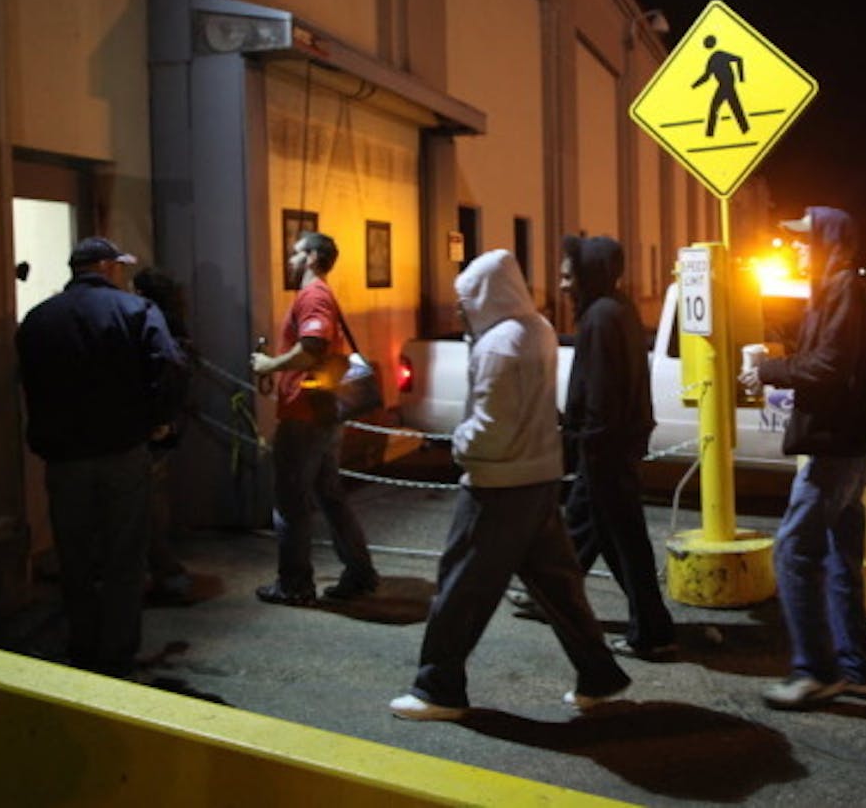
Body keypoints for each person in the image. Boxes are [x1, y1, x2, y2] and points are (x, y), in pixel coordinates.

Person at [389, 249, 630, 721]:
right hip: (539, 477)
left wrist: (459, 444)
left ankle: (438, 689)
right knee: (558, 587)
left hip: (498, 484)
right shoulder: (536, 330)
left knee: (460, 586)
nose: (458, 308)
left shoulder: (499, 345)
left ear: (487, 294)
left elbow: (491, 427)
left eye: (465, 297)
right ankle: (599, 674)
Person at [738, 207, 866, 711]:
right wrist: (778, 362)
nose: (798, 248)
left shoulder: (842, 288)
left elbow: (830, 365)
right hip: (849, 446)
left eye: (807, 240)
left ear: (831, 240)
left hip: (838, 449)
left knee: (792, 551)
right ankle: (857, 670)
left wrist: (769, 369)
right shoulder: (833, 288)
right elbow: (830, 359)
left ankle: (815, 671)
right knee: (839, 559)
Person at [16, 236, 186, 677]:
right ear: (107, 267)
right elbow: (169, 363)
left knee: (74, 554)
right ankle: (117, 652)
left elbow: (27, 380)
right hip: (121, 449)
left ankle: (82, 645)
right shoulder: (136, 311)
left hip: (64, 455)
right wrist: (158, 419)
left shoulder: (38, 318)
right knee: (123, 553)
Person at [559, 234, 676, 659]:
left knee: (625, 542)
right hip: (612, 447)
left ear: (590, 273)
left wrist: (586, 445)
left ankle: (653, 632)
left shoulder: (601, 317)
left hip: (604, 450)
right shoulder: (618, 308)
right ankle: (649, 626)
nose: (562, 284)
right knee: (600, 534)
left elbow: (601, 393)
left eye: (568, 275)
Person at [251, 231, 380, 606]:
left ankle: (295, 585)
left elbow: (312, 347)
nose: (288, 261)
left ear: (310, 257)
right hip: (321, 411)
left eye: (294, 254)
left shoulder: (313, 296)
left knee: (290, 500)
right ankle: (359, 573)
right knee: (329, 496)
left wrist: (270, 364)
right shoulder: (318, 295)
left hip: (304, 413)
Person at [132, 267, 194, 603]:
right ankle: (164, 570)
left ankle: (165, 574)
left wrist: (159, 418)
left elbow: (164, 370)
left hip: (158, 420)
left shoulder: (155, 321)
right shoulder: (175, 319)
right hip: (169, 418)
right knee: (155, 495)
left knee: (149, 499)